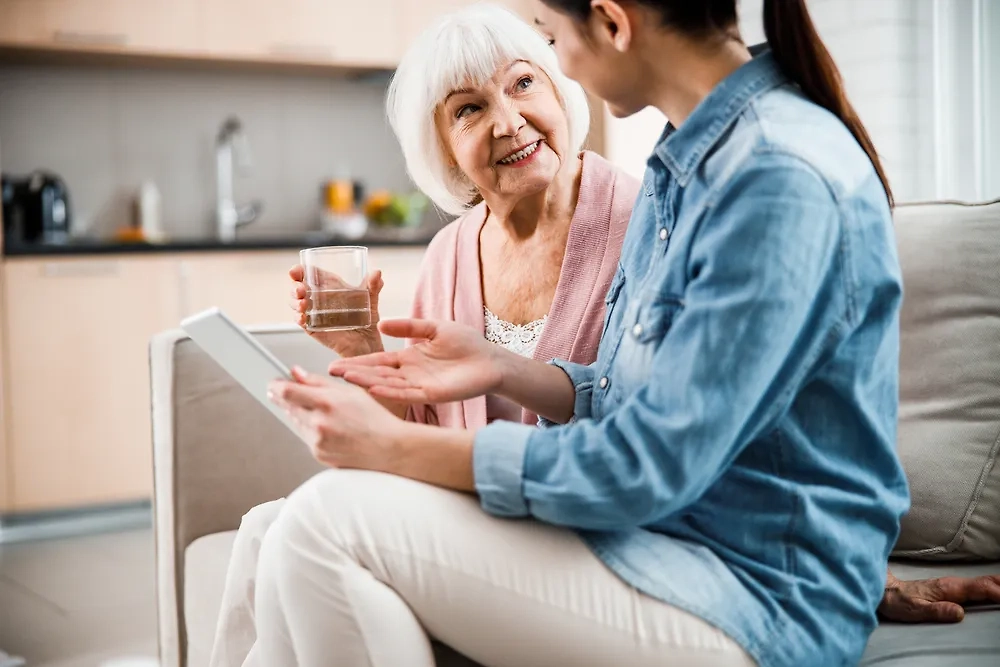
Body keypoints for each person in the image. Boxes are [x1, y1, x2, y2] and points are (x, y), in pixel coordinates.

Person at [264, 2, 1000, 666]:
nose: (560, 66)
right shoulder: (686, 167)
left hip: (755, 598)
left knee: (322, 523)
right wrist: (497, 364)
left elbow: (645, 462)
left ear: (612, 23)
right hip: (676, 550)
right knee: (288, 531)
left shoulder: (776, 176)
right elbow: (625, 393)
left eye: (552, 42)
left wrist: (392, 447)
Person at [207, 5, 638, 666]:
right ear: (444, 151)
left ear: (559, 88)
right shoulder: (451, 251)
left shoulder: (639, 218)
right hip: (478, 511)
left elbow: (643, 416)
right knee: (264, 526)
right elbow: (420, 432)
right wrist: (362, 350)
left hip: (575, 527)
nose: (507, 120)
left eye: (523, 83)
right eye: (468, 110)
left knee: (303, 526)